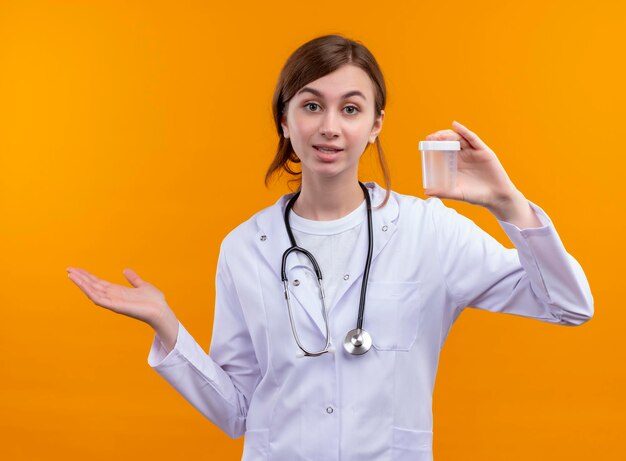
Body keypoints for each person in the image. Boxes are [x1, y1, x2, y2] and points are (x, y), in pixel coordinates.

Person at [67, 34, 594, 461]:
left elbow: (569, 307)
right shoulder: (245, 247)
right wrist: (167, 326)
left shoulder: (428, 230)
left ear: (375, 127)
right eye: (312, 105)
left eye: (351, 109)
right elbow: (238, 414)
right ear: (285, 119)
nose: (329, 127)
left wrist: (508, 204)